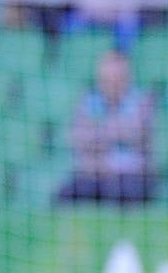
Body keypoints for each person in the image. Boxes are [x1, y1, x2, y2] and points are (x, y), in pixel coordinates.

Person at [56, 48, 157, 206]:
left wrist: (98, 133)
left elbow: (137, 134)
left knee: (119, 193)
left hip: (131, 176)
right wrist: (114, 133)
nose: (112, 85)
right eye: (106, 80)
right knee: (65, 194)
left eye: (117, 79)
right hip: (94, 173)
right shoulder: (88, 101)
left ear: (127, 78)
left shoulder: (142, 101)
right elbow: (78, 138)